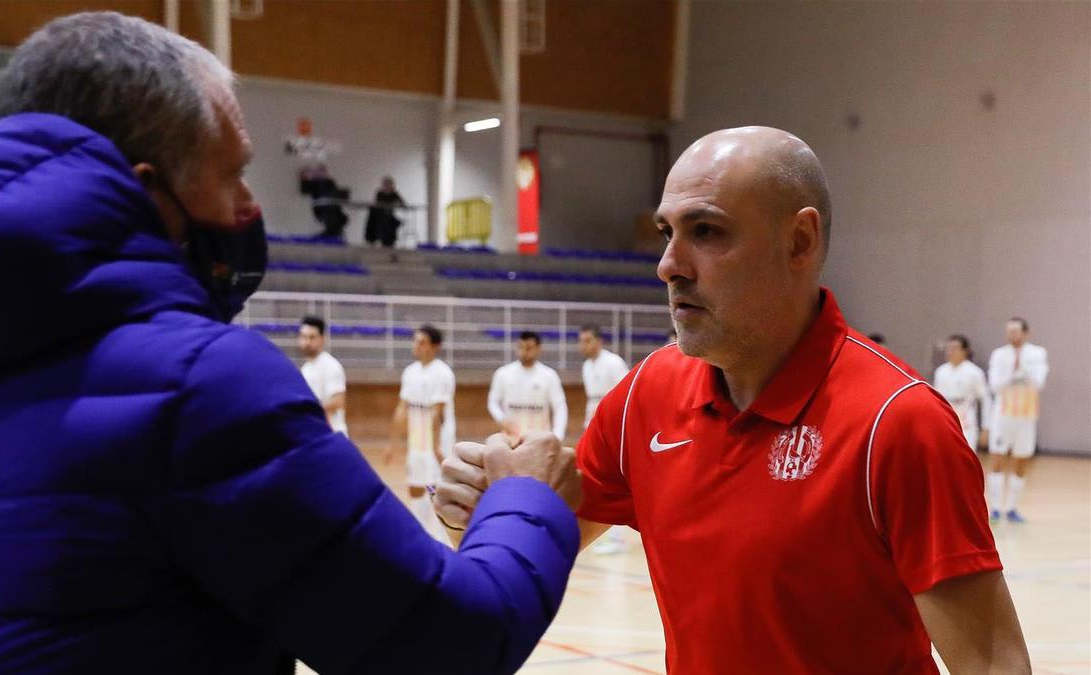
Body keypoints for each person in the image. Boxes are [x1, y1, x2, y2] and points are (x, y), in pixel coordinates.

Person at [0, 13, 585, 674]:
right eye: (230, 174)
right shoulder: (199, 385)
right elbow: (446, 642)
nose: (250, 207)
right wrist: (527, 499)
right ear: (144, 194)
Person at [437, 126, 1030, 673]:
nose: (669, 265)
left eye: (707, 231)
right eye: (669, 233)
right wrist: (485, 507)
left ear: (799, 241)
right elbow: (543, 540)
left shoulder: (898, 422)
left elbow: (993, 662)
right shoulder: (646, 395)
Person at [387, 325, 458, 540]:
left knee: (436, 489)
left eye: (422, 342)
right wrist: (393, 443)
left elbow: (438, 412)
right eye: (415, 341)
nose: (416, 346)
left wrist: (436, 447)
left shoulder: (442, 373)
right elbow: (402, 409)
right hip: (416, 440)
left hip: (437, 442)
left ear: (435, 346)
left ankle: (441, 538)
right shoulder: (410, 372)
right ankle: (420, 534)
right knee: (416, 486)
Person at [987, 317, 1049, 523]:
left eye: (1016, 331)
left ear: (1025, 333)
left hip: (1026, 415)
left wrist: (1023, 371)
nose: (1012, 335)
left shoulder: (1037, 353)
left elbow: (1038, 383)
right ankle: (995, 507)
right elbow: (995, 385)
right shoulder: (999, 355)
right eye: (1009, 332)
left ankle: (1012, 507)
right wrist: (1013, 375)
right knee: (997, 457)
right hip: (1003, 414)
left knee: (1021, 459)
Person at [577, 325, 630, 554]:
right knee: (593, 479)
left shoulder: (614, 363)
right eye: (581, 341)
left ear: (599, 341)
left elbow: (625, 394)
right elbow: (593, 400)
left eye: (587, 340)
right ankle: (601, 532)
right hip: (594, 424)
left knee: (615, 481)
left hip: (614, 429)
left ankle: (617, 538)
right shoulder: (587, 366)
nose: (583, 345)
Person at [488, 331, 568, 443]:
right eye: (521, 347)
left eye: (529, 348)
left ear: (539, 349)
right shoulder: (503, 373)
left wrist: (557, 436)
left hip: (540, 441)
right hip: (511, 439)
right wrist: (501, 419)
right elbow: (493, 402)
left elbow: (560, 407)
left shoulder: (549, 375)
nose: (524, 352)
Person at [932, 334, 991, 451]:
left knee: (966, 455)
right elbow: (935, 400)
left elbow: (985, 399)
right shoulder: (941, 372)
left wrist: (986, 428)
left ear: (965, 351)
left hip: (967, 420)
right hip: (945, 420)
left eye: (954, 348)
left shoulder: (974, 372)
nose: (950, 352)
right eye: (948, 348)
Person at [298, 315, 347, 436]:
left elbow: (338, 401)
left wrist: (308, 411)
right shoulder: (305, 369)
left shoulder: (330, 365)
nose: (307, 342)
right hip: (313, 434)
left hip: (331, 434)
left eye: (312, 337)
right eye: (303, 337)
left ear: (322, 338)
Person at [298, 163, 349, 239]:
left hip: (331, 211)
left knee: (334, 226)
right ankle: (333, 234)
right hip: (327, 210)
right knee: (334, 226)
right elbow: (305, 189)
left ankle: (333, 234)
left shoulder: (329, 184)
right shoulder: (318, 184)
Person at [364, 176, 406, 247]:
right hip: (379, 215)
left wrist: (394, 204)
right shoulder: (380, 193)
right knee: (372, 216)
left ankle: (386, 241)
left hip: (388, 215)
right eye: (385, 184)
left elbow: (402, 203)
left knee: (387, 221)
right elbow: (376, 203)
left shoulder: (394, 194)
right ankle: (371, 239)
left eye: (388, 184)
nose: (387, 186)